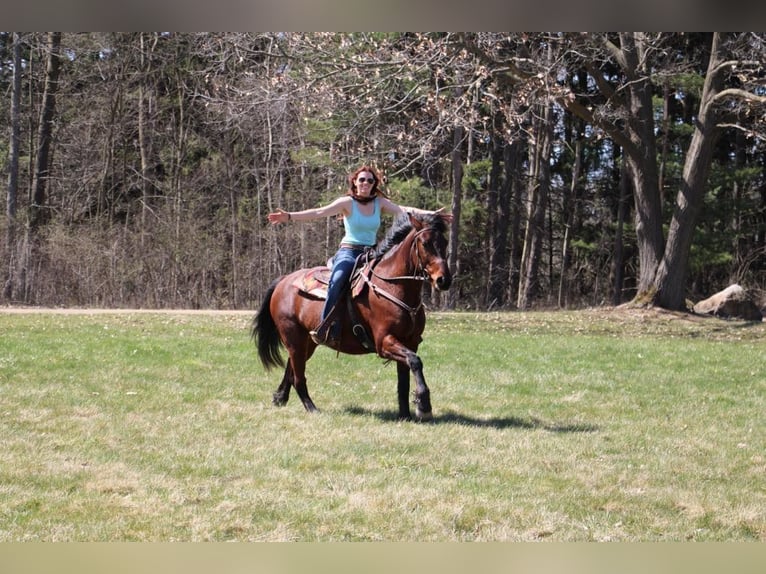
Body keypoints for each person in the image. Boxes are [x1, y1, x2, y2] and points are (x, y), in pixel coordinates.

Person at [267, 165, 451, 346]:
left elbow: (404, 210)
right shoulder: (347, 203)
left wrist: (433, 215)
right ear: (354, 182)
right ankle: (326, 325)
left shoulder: (379, 203)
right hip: (349, 252)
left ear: (374, 184)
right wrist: (289, 216)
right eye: (362, 179)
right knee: (338, 279)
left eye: (370, 180)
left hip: (373, 252)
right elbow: (319, 212)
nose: (365, 183)